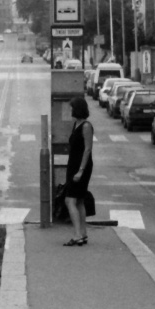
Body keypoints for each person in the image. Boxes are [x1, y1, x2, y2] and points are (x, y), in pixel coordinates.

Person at [63, 96, 94, 246]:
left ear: (78, 109)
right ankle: (83, 233)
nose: (70, 110)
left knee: (70, 200)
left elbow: (87, 149)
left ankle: (77, 235)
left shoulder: (86, 126)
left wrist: (81, 171)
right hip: (73, 165)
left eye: (72, 107)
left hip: (81, 166)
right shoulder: (76, 124)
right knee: (79, 200)